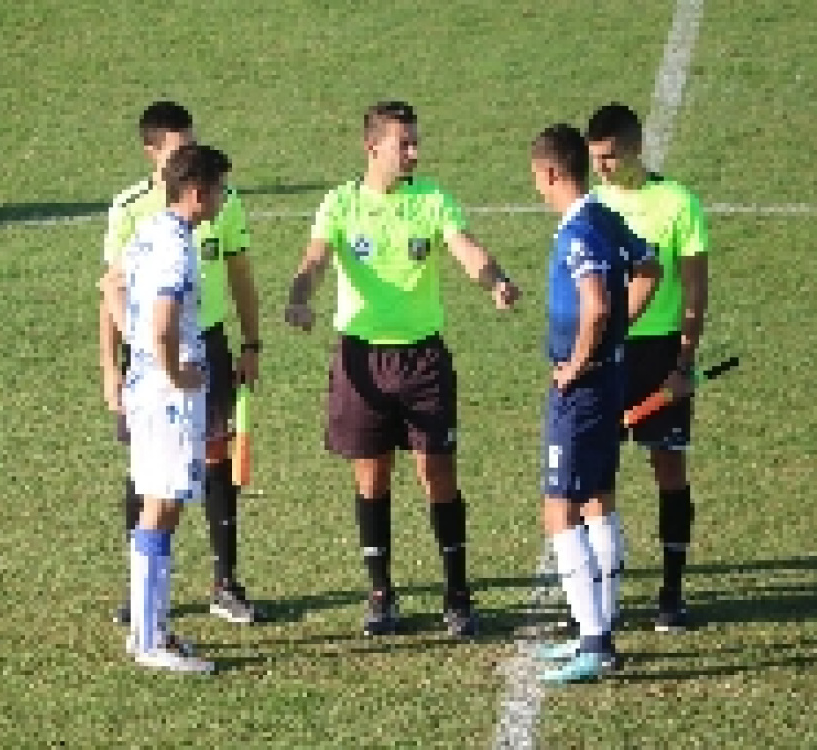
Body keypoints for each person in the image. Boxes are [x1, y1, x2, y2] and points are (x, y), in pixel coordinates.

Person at [283, 100, 520, 638]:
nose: (414, 152)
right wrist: (299, 297)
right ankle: (381, 594)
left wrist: (496, 281)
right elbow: (314, 260)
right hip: (361, 360)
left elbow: (467, 249)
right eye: (404, 144)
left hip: (422, 361)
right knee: (372, 479)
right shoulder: (340, 203)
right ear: (373, 147)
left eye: (416, 142)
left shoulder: (431, 200)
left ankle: (457, 594)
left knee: (438, 475)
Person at [100, 101, 263, 627]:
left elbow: (238, 275)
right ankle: (147, 615)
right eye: (179, 150)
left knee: (195, 474)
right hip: (168, 372)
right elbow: (128, 298)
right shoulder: (157, 229)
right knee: (155, 489)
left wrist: (249, 343)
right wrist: (140, 364)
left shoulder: (184, 219)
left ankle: (207, 592)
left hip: (187, 354)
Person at [527, 124, 659, 684]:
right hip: (611, 379)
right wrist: (616, 335)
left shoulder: (579, 230)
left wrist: (576, 364)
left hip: (582, 390)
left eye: (536, 176)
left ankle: (594, 641)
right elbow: (650, 268)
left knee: (559, 506)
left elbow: (596, 304)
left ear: (551, 173)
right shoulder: (605, 216)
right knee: (598, 498)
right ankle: (599, 625)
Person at [100, 143, 233, 672]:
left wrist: (135, 345)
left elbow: (111, 285)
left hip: (144, 389)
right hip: (168, 398)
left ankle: (147, 629)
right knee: (161, 508)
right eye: (220, 189)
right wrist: (178, 375)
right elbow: (161, 326)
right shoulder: (177, 248)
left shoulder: (150, 230)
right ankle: (151, 640)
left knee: (158, 505)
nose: (223, 198)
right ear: (197, 192)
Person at [586, 103, 709, 631]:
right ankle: (599, 596)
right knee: (596, 474)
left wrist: (684, 362)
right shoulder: (592, 205)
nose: (601, 167)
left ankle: (672, 592)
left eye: (610, 157)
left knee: (668, 468)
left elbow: (695, 292)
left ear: (636, 148)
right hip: (606, 353)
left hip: (659, 353)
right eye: (595, 158)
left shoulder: (678, 203)